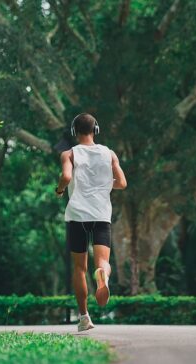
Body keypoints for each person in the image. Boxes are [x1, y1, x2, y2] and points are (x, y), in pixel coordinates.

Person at [56, 113, 127, 332]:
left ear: (74, 131)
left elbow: (67, 178)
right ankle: (102, 274)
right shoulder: (109, 154)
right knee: (102, 262)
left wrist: (59, 190)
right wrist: (103, 184)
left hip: (77, 215)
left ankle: (84, 317)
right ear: (95, 130)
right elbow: (122, 183)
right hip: (101, 214)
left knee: (79, 268)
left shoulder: (69, 154)